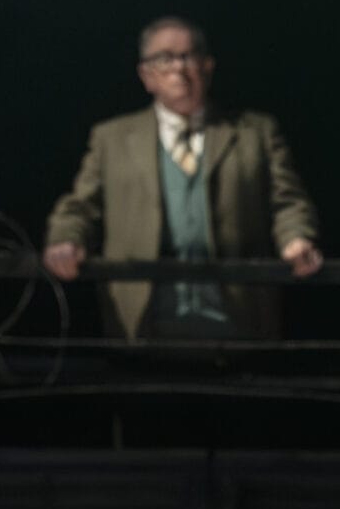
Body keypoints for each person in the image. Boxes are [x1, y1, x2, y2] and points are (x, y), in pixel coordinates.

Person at [43, 17, 321, 342]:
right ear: (146, 75)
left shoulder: (254, 133)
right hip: (143, 330)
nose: (178, 69)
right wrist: (66, 241)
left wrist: (297, 238)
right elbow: (80, 207)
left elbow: (287, 202)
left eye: (188, 57)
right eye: (164, 59)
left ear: (207, 66)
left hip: (238, 326)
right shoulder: (112, 139)